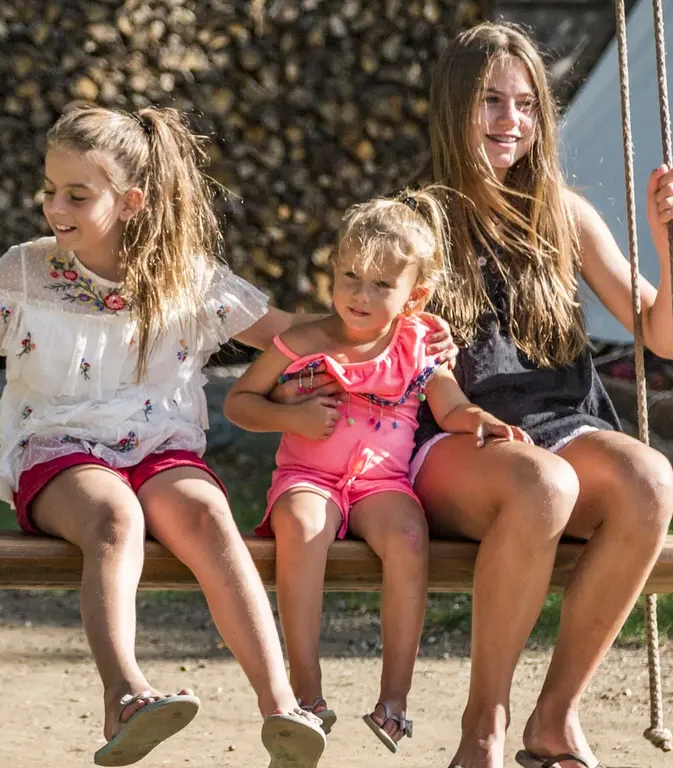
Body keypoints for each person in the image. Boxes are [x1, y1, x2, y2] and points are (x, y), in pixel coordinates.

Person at [274, 23, 673, 768]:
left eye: (527, 104)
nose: (511, 120)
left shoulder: (562, 214)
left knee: (649, 479)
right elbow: (360, 324)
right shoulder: (418, 222)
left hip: (562, 425)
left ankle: (555, 719)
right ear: (452, 106)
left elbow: (667, 337)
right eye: (490, 101)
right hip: (447, 436)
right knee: (543, 483)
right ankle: (484, 729)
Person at [0, 104, 329, 768]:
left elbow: (294, 334)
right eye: (50, 190)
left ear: (131, 200)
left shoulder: (186, 276)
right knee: (115, 517)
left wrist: (381, 320)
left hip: (159, 451)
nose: (55, 206)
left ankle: (283, 708)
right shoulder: (24, 273)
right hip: (58, 450)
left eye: (77, 194)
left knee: (209, 514)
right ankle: (126, 695)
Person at [224, 186, 528, 756]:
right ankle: (305, 697)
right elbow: (239, 402)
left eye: (382, 285)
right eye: (349, 277)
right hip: (308, 479)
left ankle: (394, 700)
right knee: (303, 526)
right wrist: (289, 415)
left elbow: (449, 405)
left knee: (410, 537)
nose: (360, 295)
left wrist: (478, 420)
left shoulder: (417, 346)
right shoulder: (303, 341)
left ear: (417, 295)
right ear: (333, 272)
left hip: (381, 485)